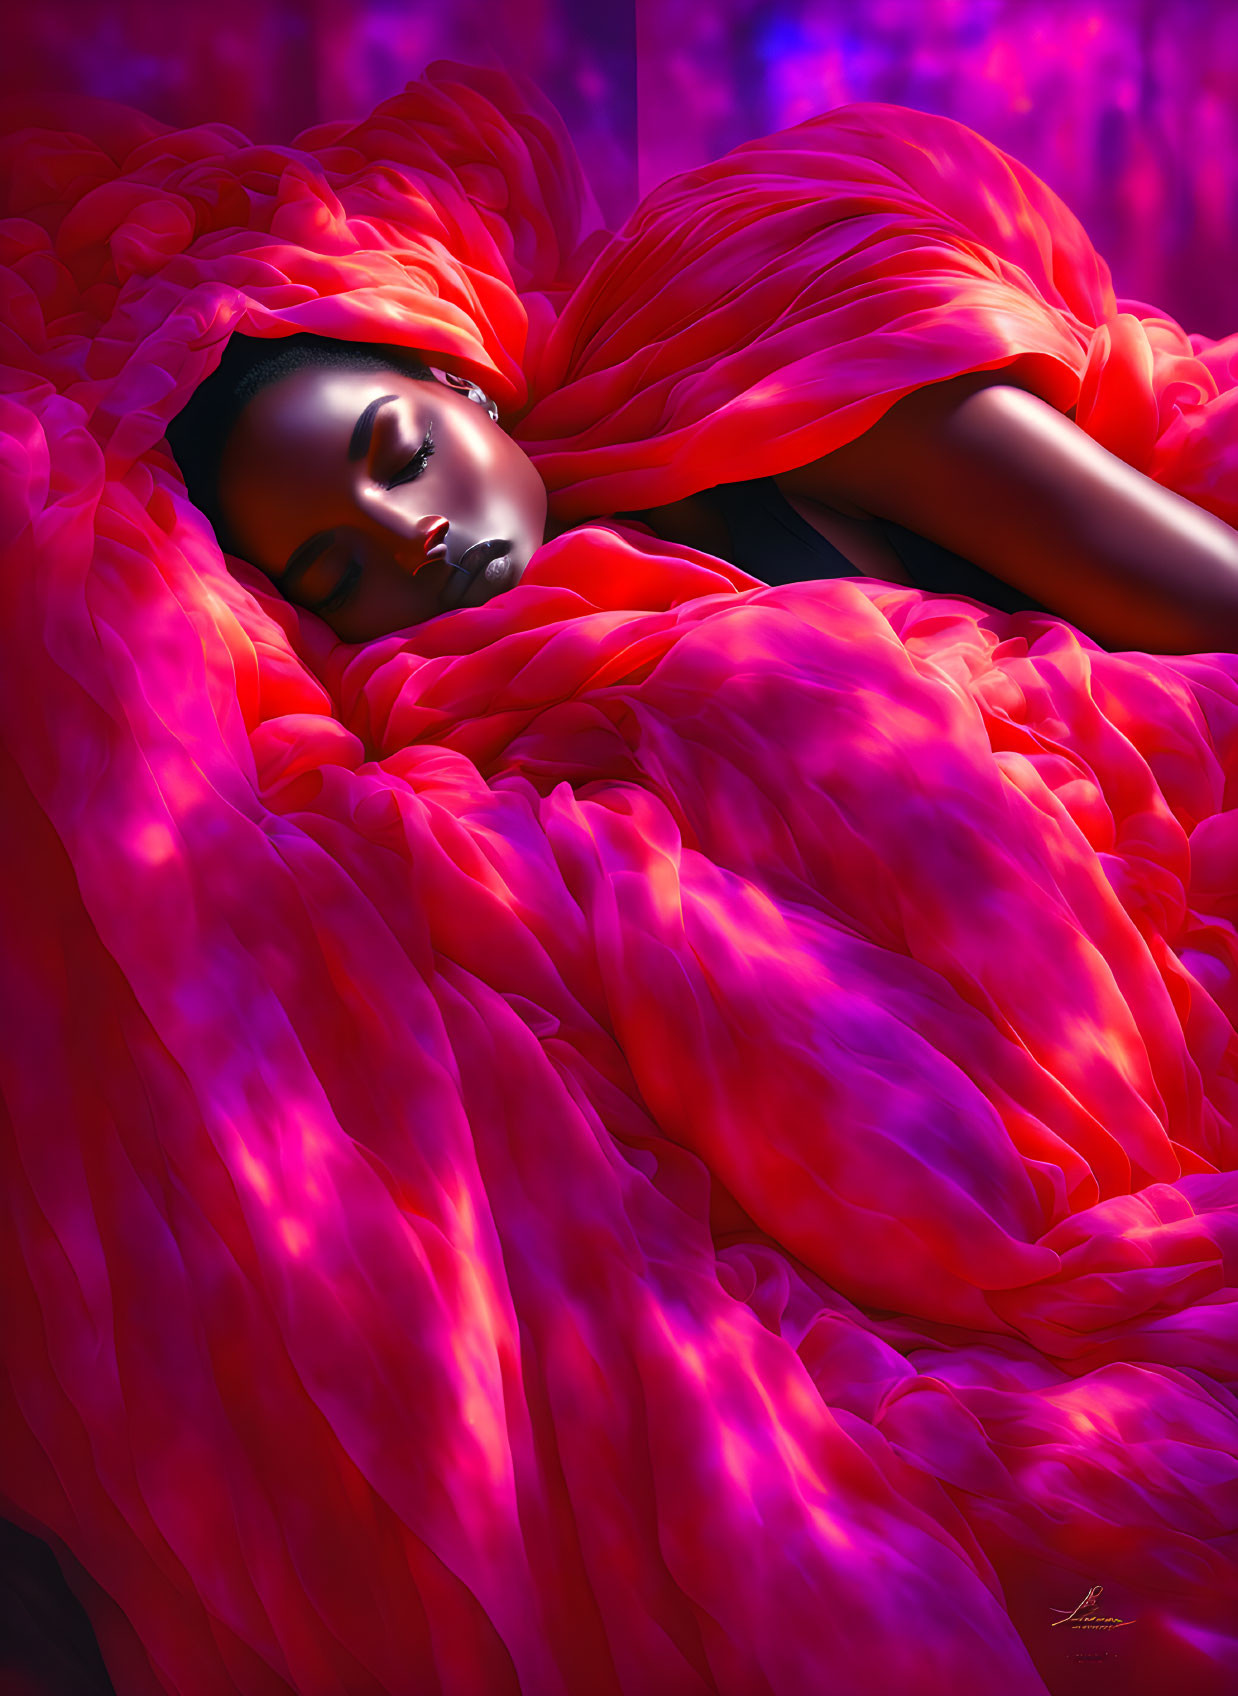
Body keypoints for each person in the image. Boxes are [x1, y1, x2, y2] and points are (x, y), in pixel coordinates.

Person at [168, 330, 1238, 655]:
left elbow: (1215, 601)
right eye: (337, 570)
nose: (412, 537)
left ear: (465, 392)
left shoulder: (796, 405)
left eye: (402, 460)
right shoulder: (506, 705)